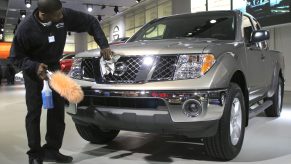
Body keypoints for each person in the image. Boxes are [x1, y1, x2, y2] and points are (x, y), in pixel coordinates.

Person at [9, 0, 113, 163]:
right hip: (34, 72)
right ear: (43, 14)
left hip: (54, 69)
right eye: (57, 14)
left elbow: (91, 22)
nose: (61, 16)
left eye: (61, 12)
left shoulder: (63, 15)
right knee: (34, 113)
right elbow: (15, 58)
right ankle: (35, 154)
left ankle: (52, 149)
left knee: (57, 111)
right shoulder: (25, 28)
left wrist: (103, 44)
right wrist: (34, 66)